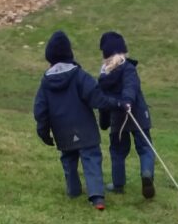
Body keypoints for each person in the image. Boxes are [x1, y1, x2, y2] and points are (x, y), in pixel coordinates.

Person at [33, 30, 125, 211]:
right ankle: (97, 198)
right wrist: (117, 103)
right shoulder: (79, 75)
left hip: (62, 131)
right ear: (69, 53)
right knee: (91, 160)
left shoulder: (46, 81)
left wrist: (43, 132)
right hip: (85, 129)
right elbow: (97, 97)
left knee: (68, 160)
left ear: (49, 56)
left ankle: (73, 191)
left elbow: (40, 110)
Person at [97, 31, 155, 199]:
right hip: (137, 114)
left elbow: (103, 101)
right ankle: (146, 173)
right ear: (123, 51)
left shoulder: (104, 75)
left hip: (118, 118)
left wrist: (104, 122)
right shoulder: (128, 68)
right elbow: (131, 87)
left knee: (117, 151)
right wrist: (128, 100)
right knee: (145, 148)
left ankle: (118, 184)